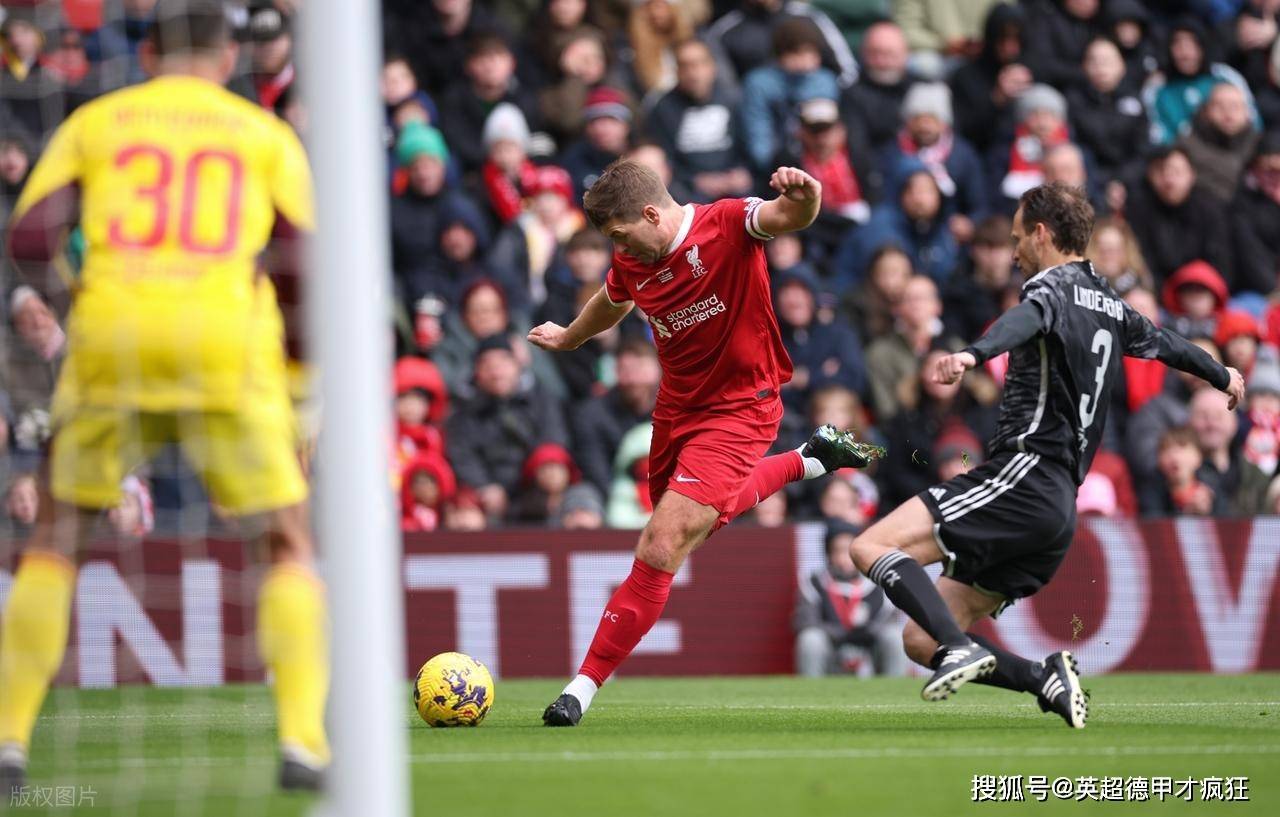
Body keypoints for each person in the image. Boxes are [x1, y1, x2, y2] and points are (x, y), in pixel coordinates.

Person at [0, 1, 328, 790]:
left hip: (113, 336)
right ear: (228, 59)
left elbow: (30, 238)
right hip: (226, 345)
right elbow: (297, 265)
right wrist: (299, 385)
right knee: (284, 543)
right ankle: (302, 742)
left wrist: (84, 293)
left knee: (56, 538)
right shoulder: (264, 135)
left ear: (146, 54)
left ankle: (8, 740)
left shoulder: (98, 120)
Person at [844, 183, 1244, 726]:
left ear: (1041, 234)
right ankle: (1042, 677)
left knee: (870, 545)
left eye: (1017, 239)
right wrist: (1221, 373)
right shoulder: (1110, 303)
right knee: (922, 637)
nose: (1013, 253)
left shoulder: (1049, 288)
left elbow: (1027, 319)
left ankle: (960, 650)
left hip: (1024, 474)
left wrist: (972, 354)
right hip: (1056, 511)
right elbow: (1166, 343)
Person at [527, 159, 885, 726]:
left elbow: (788, 216)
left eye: (620, 234)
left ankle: (580, 689)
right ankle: (808, 460)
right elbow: (613, 299)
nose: (618, 248)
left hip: (742, 409)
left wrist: (807, 196)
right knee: (691, 525)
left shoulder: (728, 224)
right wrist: (571, 337)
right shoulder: (632, 257)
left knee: (662, 543)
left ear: (651, 214)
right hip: (676, 410)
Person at [793, 519, 905, 678]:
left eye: (849, 551)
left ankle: (893, 688)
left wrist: (866, 632)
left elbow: (890, 620)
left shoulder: (878, 582)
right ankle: (811, 690)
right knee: (810, 639)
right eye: (838, 551)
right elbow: (806, 622)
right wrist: (840, 633)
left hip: (870, 652)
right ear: (828, 553)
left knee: (894, 636)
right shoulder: (814, 583)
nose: (844, 558)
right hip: (831, 651)